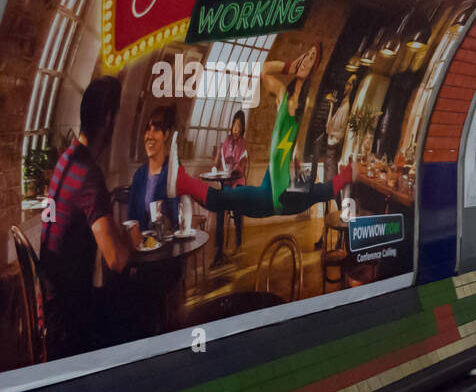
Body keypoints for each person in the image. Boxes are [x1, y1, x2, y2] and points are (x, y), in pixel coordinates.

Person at [173, 44, 352, 217]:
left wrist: (296, 157)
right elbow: (263, 70)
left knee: (226, 198)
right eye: (306, 54)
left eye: (312, 57)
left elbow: (291, 137)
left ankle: (183, 183)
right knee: (228, 200)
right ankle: (183, 185)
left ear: (315, 68)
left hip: (279, 191)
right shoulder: (283, 94)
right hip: (272, 179)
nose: (306, 59)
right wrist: (289, 67)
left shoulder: (300, 106)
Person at [39, 77, 138, 357]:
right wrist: (131, 238)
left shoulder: (65, 158)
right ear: (108, 119)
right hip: (69, 318)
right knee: (137, 307)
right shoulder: (89, 176)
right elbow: (116, 260)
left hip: (49, 298)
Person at [310, 76, 354, 249]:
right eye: (347, 81)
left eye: (350, 83)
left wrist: (331, 131)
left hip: (333, 157)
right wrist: (330, 106)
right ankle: (325, 237)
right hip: (329, 155)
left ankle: (338, 239)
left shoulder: (346, 106)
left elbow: (336, 131)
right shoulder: (339, 105)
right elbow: (329, 127)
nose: (346, 85)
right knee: (328, 200)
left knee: (335, 199)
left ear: (353, 86)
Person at [126, 103, 180, 231]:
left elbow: (177, 222)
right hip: (141, 247)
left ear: (166, 135)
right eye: (148, 129)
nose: (149, 136)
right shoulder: (139, 175)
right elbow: (131, 219)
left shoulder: (173, 173)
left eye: (156, 130)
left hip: (167, 247)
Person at [210, 109, 248, 267]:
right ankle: (219, 249)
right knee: (219, 209)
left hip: (237, 184)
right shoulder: (225, 142)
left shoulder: (243, 144)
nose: (236, 128)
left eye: (239, 126)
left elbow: (242, 166)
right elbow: (217, 163)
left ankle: (238, 243)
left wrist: (235, 167)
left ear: (242, 128)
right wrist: (216, 160)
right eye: (234, 125)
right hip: (225, 184)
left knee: (237, 208)